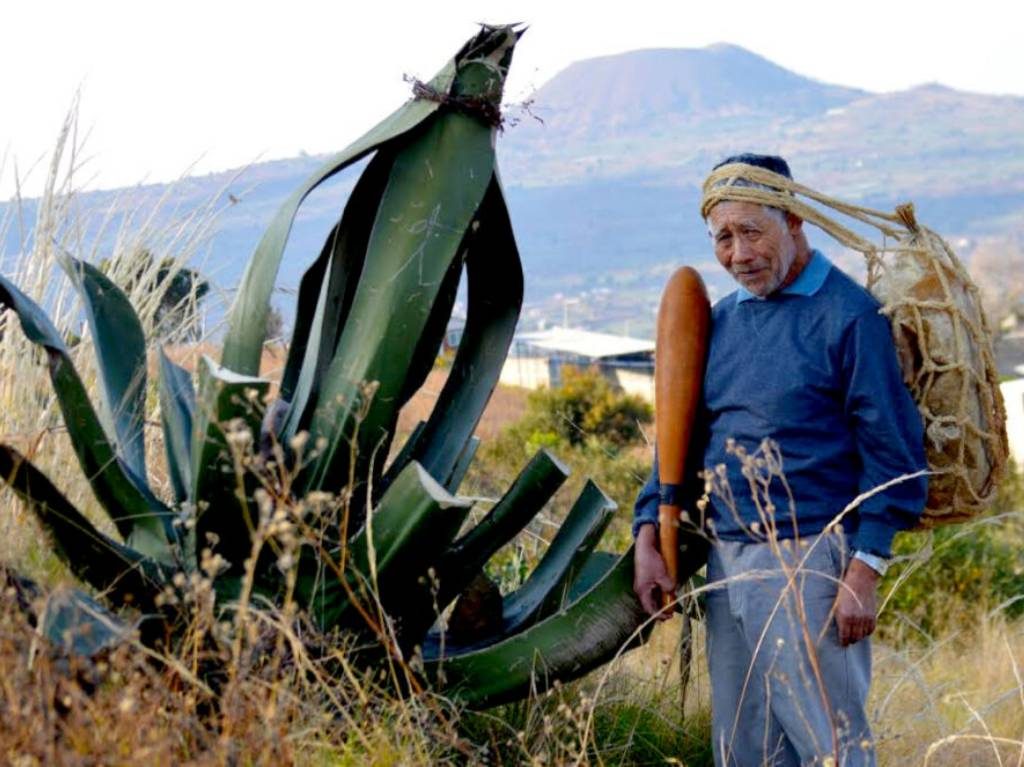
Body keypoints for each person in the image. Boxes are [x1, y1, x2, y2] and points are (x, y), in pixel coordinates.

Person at [632, 154, 928, 766]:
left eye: (751, 232)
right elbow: (680, 436)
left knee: (830, 748)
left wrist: (865, 572)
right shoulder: (722, 322)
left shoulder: (850, 318)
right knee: (744, 749)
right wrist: (647, 531)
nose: (738, 255)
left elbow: (894, 456)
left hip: (813, 563)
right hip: (728, 559)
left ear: (793, 221)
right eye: (722, 237)